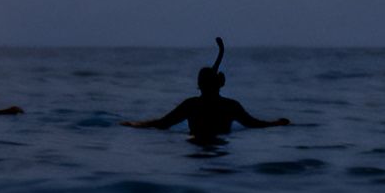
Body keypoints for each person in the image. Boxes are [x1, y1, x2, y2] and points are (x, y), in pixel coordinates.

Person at [123, 39, 289, 138]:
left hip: (196, 153)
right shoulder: (229, 106)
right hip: (219, 152)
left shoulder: (193, 105)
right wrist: (277, 123)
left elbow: (162, 124)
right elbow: (254, 124)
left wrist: (135, 125)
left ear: (199, 85)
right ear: (221, 83)